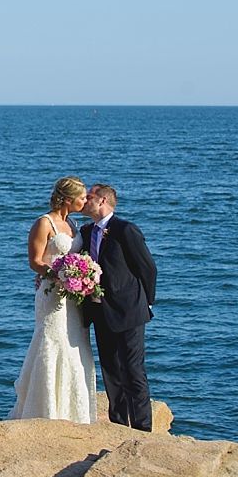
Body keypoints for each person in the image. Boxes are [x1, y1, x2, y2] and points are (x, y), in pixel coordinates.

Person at [7, 176, 97, 423]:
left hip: (73, 296)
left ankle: (72, 410)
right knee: (52, 341)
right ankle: (44, 409)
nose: (85, 200)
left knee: (74, 344)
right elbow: (35, 261)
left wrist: (80, 274)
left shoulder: (74, 223)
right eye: (82, 197)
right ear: (68, 199)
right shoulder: (43, 223)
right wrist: (59, 274)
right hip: (51, 294)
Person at [80, 184, 158, 431]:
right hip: (99, 310)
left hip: (129, 310)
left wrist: (146, 302)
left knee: (133, 369)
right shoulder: (86, 230)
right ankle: (118, 425)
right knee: (111, 370)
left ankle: (142, 427)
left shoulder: (125, 230)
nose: (84, 200)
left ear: (102, 200)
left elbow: (147, 268)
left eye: (89, 197)